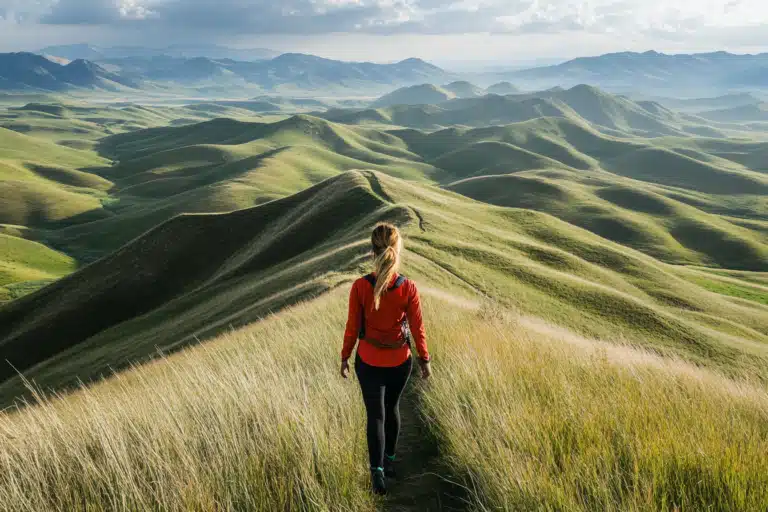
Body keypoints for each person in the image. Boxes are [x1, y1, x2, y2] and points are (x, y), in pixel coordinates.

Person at [340, 222, 431, 496]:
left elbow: (352, 328)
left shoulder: (359, 287)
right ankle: (389, 462)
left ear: (372, 251)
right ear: (397, 250)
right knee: (392, 410)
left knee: (375, 416)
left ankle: (377, 472)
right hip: (399, 363)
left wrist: (345, 357)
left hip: (367, 362)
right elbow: (417, 328)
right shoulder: (408, 288)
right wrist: (424, 359)